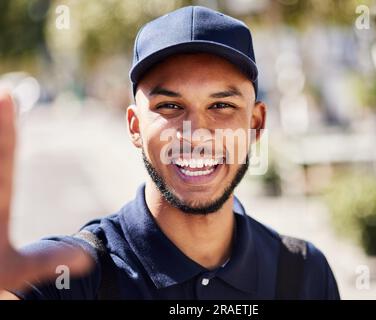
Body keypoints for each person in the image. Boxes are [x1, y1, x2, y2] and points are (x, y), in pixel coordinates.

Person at [0, 6, 340, 300]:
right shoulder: (74, 276)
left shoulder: (305, 274)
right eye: (170, 106)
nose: (195, 134)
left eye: (221, 105)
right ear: (134, 126)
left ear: (255, 123)